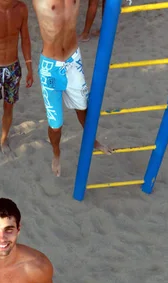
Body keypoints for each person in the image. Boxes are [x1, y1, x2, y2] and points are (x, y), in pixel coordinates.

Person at [32, 0, 111, 176]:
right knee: (56, 124)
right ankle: (56, 154)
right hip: (50, 68)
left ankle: (93, 141)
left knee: (83, 108)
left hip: (73, 60)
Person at [0, 0, 33, 153]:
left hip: (13, 68)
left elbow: (25, 39)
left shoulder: (21, 9)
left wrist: (29, 67)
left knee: (9, 107)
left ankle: (3, 139)